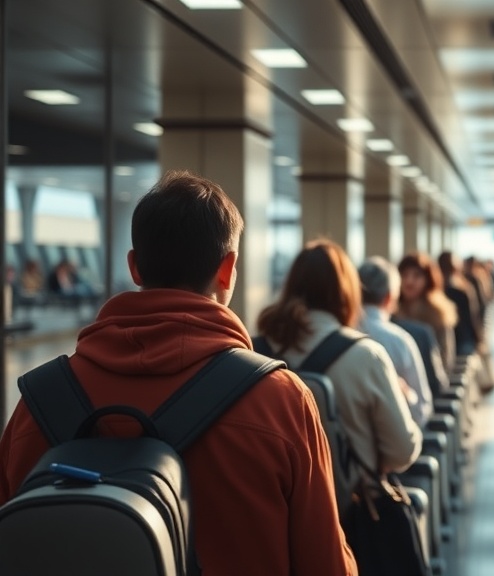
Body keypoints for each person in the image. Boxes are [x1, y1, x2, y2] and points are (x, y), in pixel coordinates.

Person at [0, 171, 357, 575]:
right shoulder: (281, 401)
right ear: (228, 269)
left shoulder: (38, 402)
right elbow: (326, 563)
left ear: (134, 267)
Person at [256, 241, 422, 479]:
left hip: (274, 507)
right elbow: (402, 452)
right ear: (348, 291)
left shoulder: (255, 351)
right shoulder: (366, 356)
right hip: (347, 509)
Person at [359, 256, 433, 428]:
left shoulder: (339, 335)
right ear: (389, 298)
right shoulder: (401, 341)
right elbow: (420, 412)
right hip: (397, 443)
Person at [396, 252, 457, 372]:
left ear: (428, 280)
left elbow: (445, 360)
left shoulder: (438, 314)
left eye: (416, 276)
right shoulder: (391, 313)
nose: (409, 281)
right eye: (405, 275)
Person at [438, 251, 482, 357]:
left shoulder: (436, 291)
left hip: (450, 342)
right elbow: (472, 317)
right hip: (463, 339)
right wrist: (478, 340)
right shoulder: (463, 289)